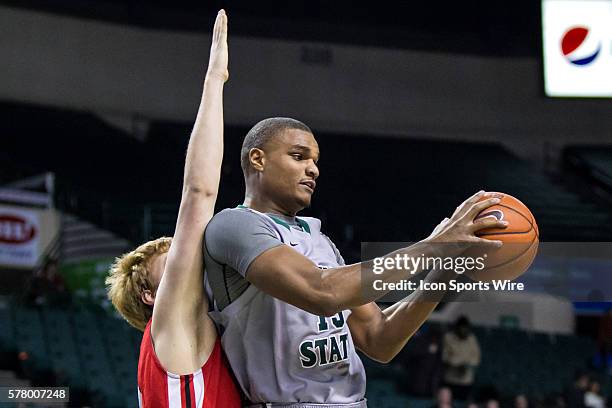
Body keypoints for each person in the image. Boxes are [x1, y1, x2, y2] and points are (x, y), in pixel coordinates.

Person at [203, 116, 507, 406]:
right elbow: (322, 293)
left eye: (315, 161)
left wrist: (447, 267)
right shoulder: (233, 225)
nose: (313, 169)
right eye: (299, 156)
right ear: (258, 159)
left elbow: (380, 338)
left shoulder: (320, 240)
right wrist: (433, 246)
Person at [105, 10, 241, 407]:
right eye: (171, 258)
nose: (187, 252)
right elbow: (198, 194)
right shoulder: (171, 320)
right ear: (152, 296)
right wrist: (215, 80)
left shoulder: (198, 333)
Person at [441, 316, 481, 401]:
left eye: (465, 329)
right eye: (461, 328)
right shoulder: (448, 337)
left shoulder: (472, 339)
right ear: (457, 328)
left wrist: (466, 365)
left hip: (466, 380)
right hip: (450, 378)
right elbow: (445, 357)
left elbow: (476, 358)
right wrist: (455, 365)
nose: (463, 331)